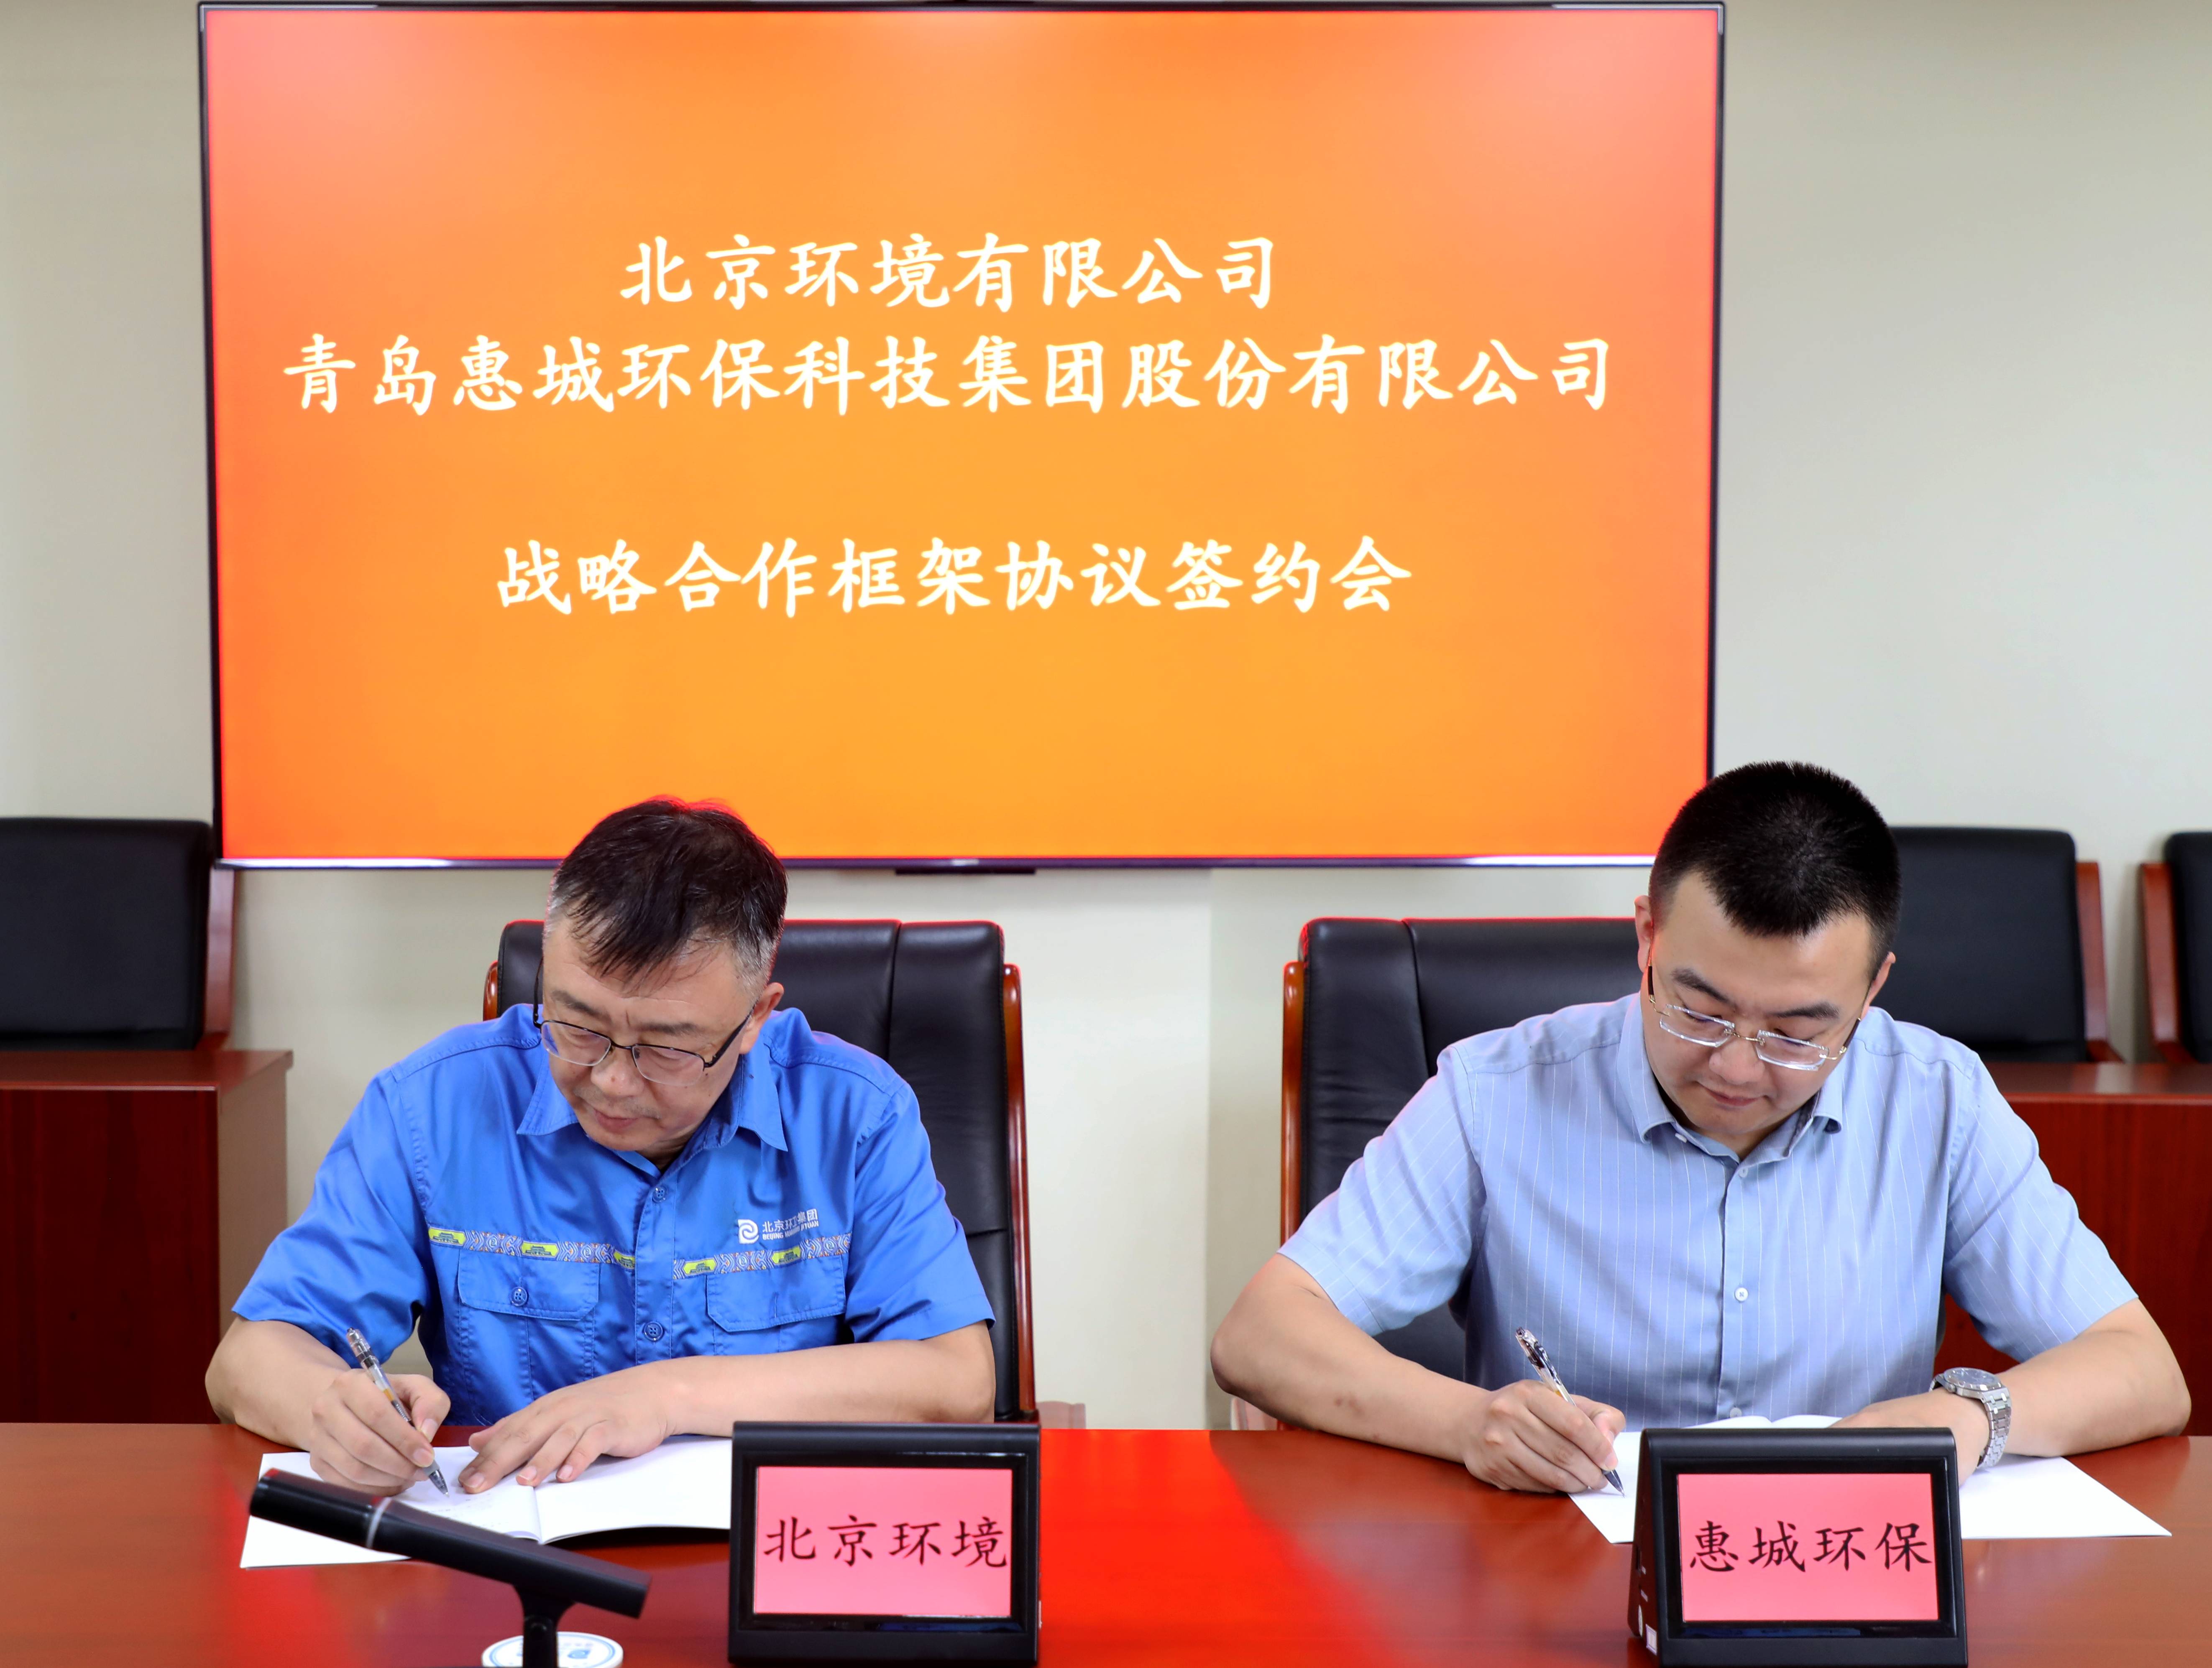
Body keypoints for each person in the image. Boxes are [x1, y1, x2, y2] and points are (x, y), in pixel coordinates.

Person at [1212, 763, 2189, 1494]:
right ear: (1646, 934)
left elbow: (2140, 1370)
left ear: (1870, 991)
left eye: (1797, 1032)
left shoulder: (1936, 1099)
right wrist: (1471, 1424)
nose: (1734, 1068)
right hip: (1559, 1577)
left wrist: (1965, 1418)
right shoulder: (1495, 1094)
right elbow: (1262, 1334)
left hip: (1839, 1572)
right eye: (1698, 1011)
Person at [209, 798, 996, 1496]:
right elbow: (248, 1358)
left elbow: (956, 1380)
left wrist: (665, 1397)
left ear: (755, 1018)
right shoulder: (433, 1107)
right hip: (514, 1554)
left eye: (667, 1047)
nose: (613, 1082)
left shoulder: (854, 1113)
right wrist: (334, 1411)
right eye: (578, 1026)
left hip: (770, 1553)